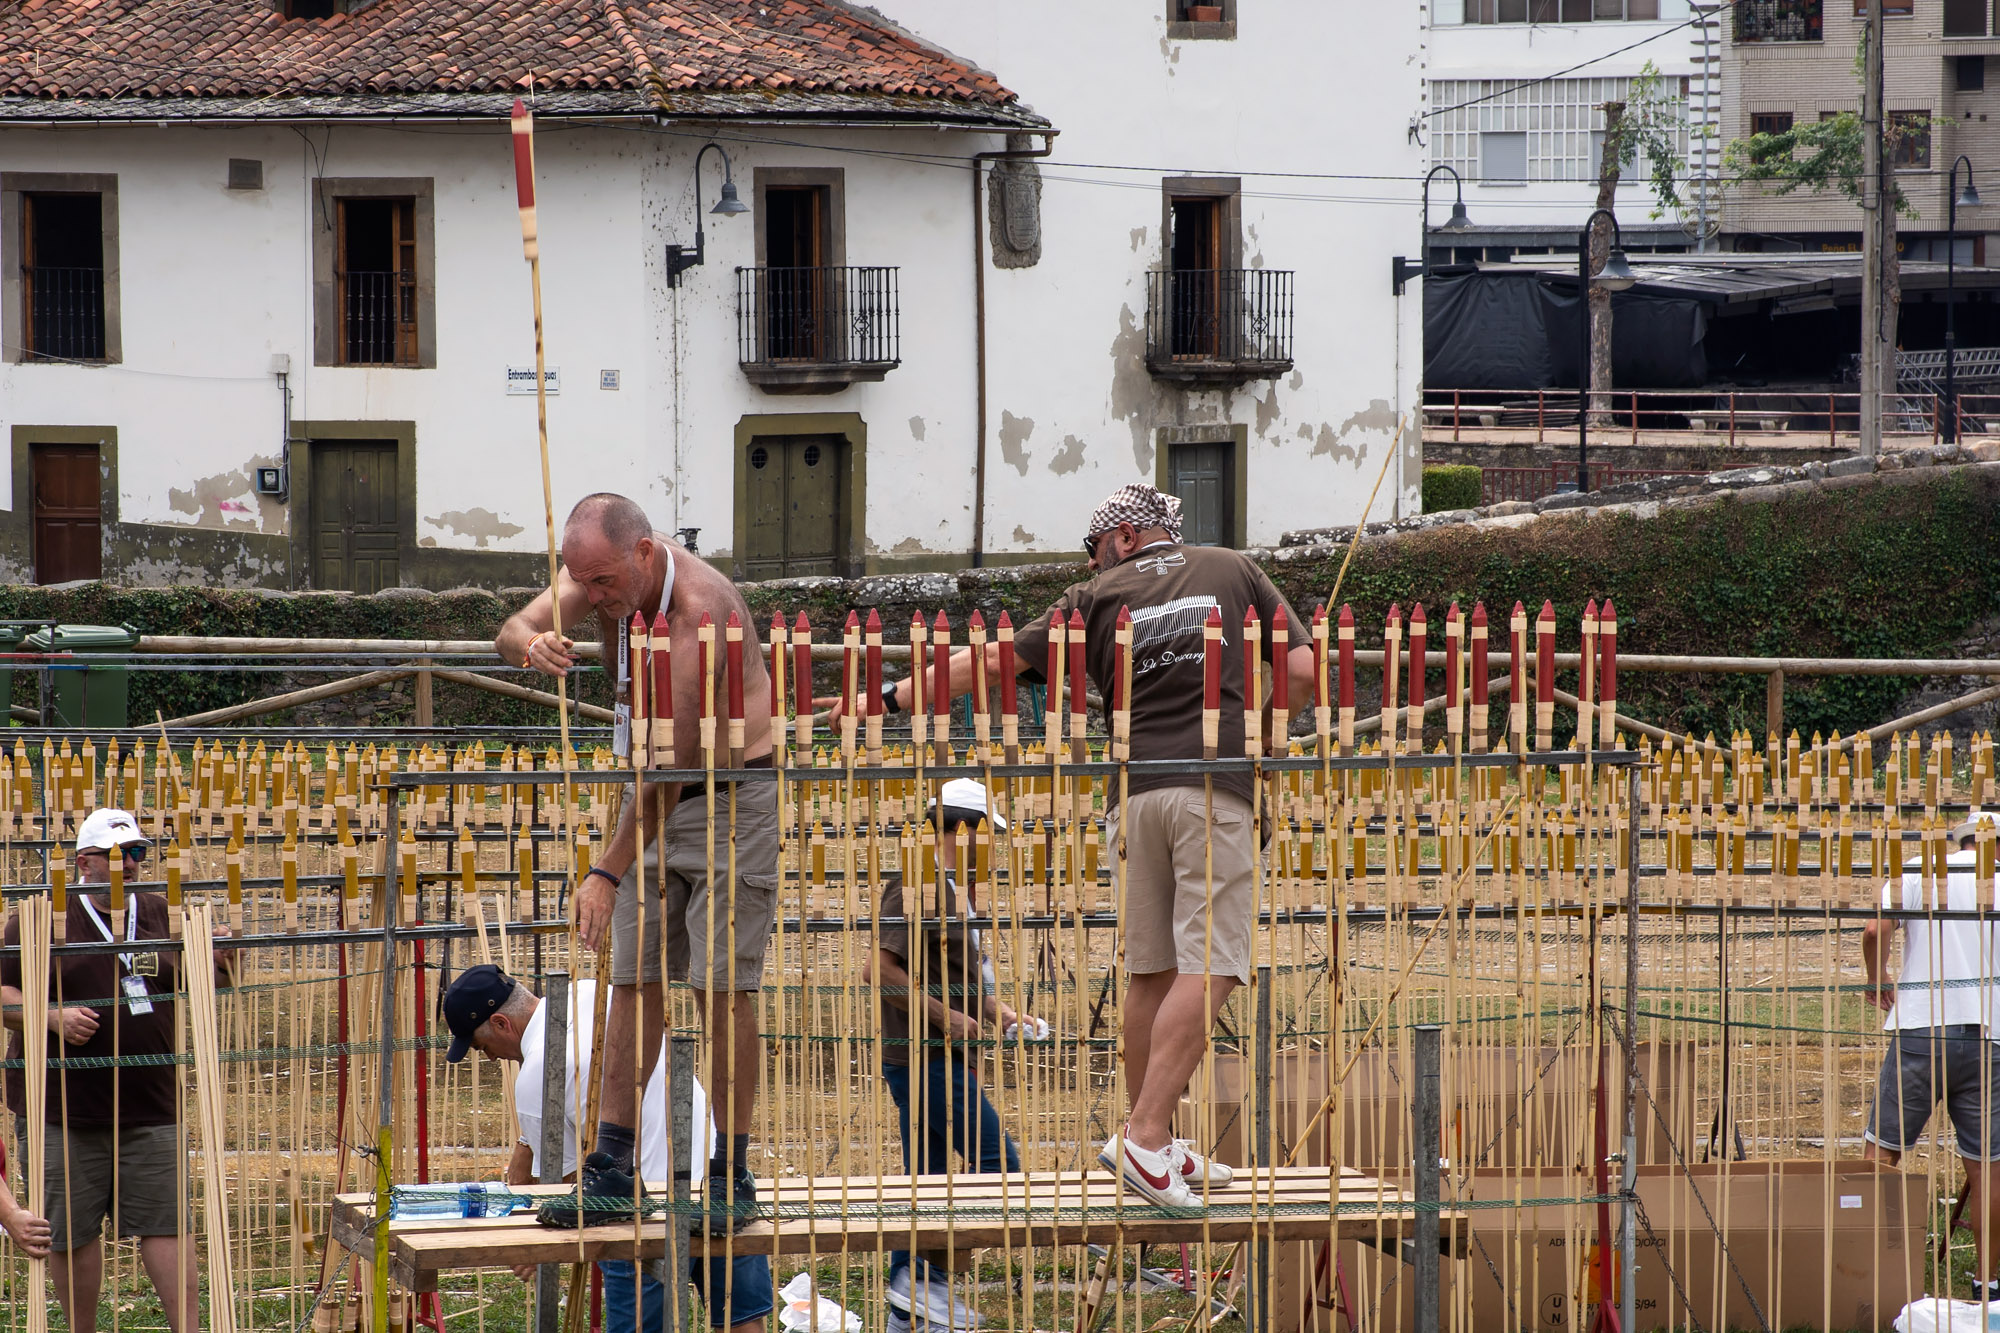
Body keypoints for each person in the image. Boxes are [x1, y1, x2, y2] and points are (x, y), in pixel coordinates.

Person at [828, 483, 1313, 1211]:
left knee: (1151, 972)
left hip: (1132, 799)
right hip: (1214, 787)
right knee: (1215, 964)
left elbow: (984, 663)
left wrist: (885, 698)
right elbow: (1302, 672)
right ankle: (1147, 1137)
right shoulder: (1233, 569)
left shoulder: (1092, 600)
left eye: (1093, 552)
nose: (1092, 565)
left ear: (1120, 538)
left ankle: (1154, 1136)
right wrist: (1271, 735)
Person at [497, 493, 779, 1233]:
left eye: (602, 585)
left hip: (725, 796)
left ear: (644, 554)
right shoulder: (597, 577)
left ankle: (731, 1170)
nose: (592, 600)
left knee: (720, 986)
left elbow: (672, 770)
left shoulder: (700, 612)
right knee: (631, 979)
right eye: (581, 583)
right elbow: (511, 626)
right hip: (650, 794)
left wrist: (606, 869)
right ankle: (612, 1166)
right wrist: (532, 643)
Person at [0, 808, 233, 1333]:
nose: (131, 864)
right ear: (84, 862)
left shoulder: (163, 914)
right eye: (118, 854)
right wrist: (50, 1017)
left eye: (136, 853)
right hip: (62, 1107)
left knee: (168, 1223)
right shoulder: (39, 918)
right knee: (71, 1231)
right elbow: (3, 992)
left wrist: (217, 958)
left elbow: (205, 985)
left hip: (151, 1102)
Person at [442, 964, 772, 1333]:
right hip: (713, 1186)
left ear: (502, 1023)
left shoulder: (537, 1076)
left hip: (637, 1217)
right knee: (742, 1322)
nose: (489, 1058)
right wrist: (525, 1142)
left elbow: (579, 1186)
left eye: (481, 1046)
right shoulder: (596, 996)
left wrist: (532, 1243)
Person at [864, 779, 1041, 1332]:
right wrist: (947, 1018)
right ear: (965, 831)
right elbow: (879, 970)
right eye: (992, 836)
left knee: (929, 1180)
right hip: (924, 1059)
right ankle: (923, 1289)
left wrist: (997, 1013)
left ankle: (910, 1304)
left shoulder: (953, 891)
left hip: (942, 1055)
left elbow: (953, 976)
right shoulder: (919, 885)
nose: (997, 851)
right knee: (1000, 1168)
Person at [1862, 809, 2000, 1299]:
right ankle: (1989, 1281)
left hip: (1920, 1028)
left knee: (1881, 1152)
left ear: (1958, 840)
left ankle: (1863, 1269)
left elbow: (1875, 933)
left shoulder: (1917, 870)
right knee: (1987, 1168)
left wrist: (1877, 978)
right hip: (1988, 1035)